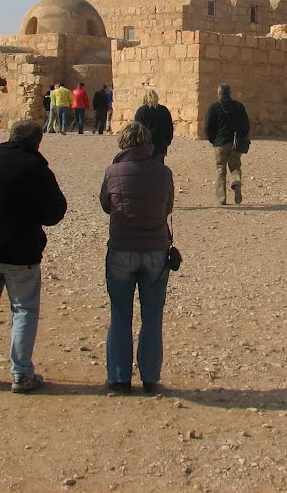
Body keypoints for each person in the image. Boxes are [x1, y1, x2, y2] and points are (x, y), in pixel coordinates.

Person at [0, 120, 68, 393]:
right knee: (24, 310)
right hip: (21, 253)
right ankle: (21, 374)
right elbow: (54, 213)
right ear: (37, 142)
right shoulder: (36, 169)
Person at [99, 122, 175, 394]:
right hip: (155, 250)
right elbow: (168, 207)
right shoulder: (164, 172)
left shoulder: (113, 171)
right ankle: (150, 377)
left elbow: (106, 205)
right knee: (153, 316)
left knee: (120, 314)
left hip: (122, 248)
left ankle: (119, 379)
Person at [204, 84, 250, 206]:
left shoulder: (213, 108)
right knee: (235, 167)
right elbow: (246, 125)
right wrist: (241, 136)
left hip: (220, 143)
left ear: (219, 93)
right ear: (230, 93)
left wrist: (213, 140)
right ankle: (236, 182)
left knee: (220, 169)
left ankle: (222, 198)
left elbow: (208, 127)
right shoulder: (239, 106)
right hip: (235, 143)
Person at [133, 87, 174, 163]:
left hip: (145, 146)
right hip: (160, 145)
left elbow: (136, 130)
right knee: (158, 169)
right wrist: (167, 141)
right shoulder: (164, 110)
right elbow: (169, 128)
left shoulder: (141, 111)